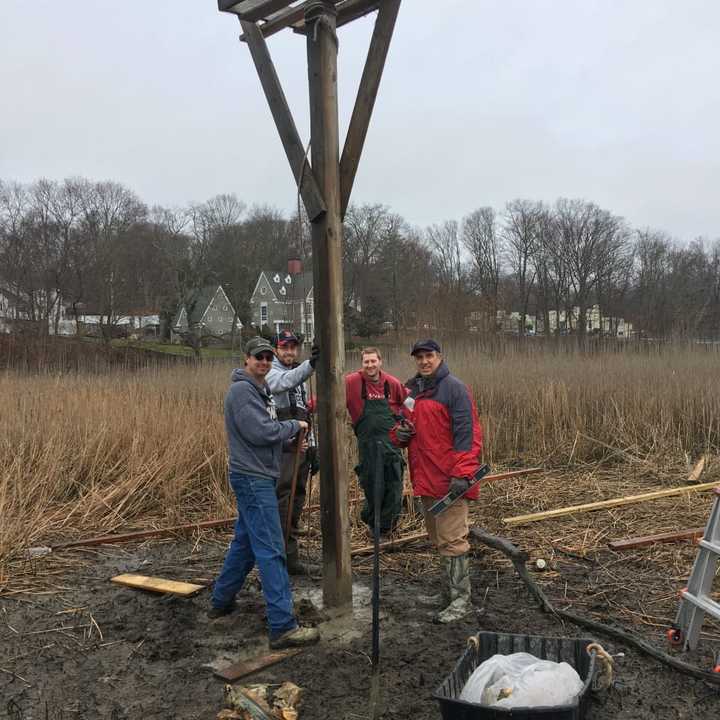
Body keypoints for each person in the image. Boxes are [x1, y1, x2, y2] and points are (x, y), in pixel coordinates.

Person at [209, 336, 320, 649]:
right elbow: (261, 432)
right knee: (272, 548)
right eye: (259, 357)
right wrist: (293, 428)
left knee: (245, 543)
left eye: (268, 358)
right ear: (246, 359)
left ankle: (221, 600)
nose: (265, 362)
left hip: (258, 475)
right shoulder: (242, 392)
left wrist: (291, 438)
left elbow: (266, 430)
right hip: (253, 478)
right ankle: (283, 626)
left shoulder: (259, 389)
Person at [391, 339, 483, 624]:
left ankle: (460, 600)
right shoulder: (412, 391)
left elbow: (467, 435)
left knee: (453, 540)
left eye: (429, 356)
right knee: (438, 539)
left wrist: (462, 474)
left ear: (439, 357)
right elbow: (399, 425)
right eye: (419, 357)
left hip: (450, 480)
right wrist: (399, 435)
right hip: (425, 479)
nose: (424, 361)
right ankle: (448, 592)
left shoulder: (454, 389)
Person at [266, 329, 320, 575]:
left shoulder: (299, 374)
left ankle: (292, 556)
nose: (289, 351)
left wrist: (314, 446)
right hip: (283, 448)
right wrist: (311, 365)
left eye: (293, 347)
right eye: (284, 347)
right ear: (276, 348)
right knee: (282, 502)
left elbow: (305, 412)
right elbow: (283, 383)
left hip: (302, 446)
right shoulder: (272, 372)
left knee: (297, 499)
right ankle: (279, 557)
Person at [345, 347, 407, 536]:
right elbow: (328, 397)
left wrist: (409, 425)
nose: (370, 365)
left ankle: (389, 529)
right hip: (368, 448)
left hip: (391, 448)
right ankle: (374, 526)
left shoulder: (393, 383)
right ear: (362, 363)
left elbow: (410, 404)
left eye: (373, 361)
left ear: (380, 361)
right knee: (372, 486)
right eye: (366, 362)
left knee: (394, 487)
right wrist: (307, 407)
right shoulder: (351, 382)